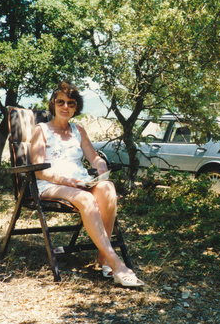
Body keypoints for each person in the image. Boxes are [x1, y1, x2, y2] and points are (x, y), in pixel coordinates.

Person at [30, 80, 144, 287]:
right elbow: (39, 170)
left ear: (76, 107)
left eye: (71, 103)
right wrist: (64, 180)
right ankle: (115, 262)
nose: (65, 107)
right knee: (87, 198)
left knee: (108, 188)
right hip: (52, 184)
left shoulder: (79, 130)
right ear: (53, 104)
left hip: (79, 182)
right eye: (61, 102)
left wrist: (100, 165)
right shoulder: (42, 130)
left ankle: (102, 257)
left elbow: (94, 157)